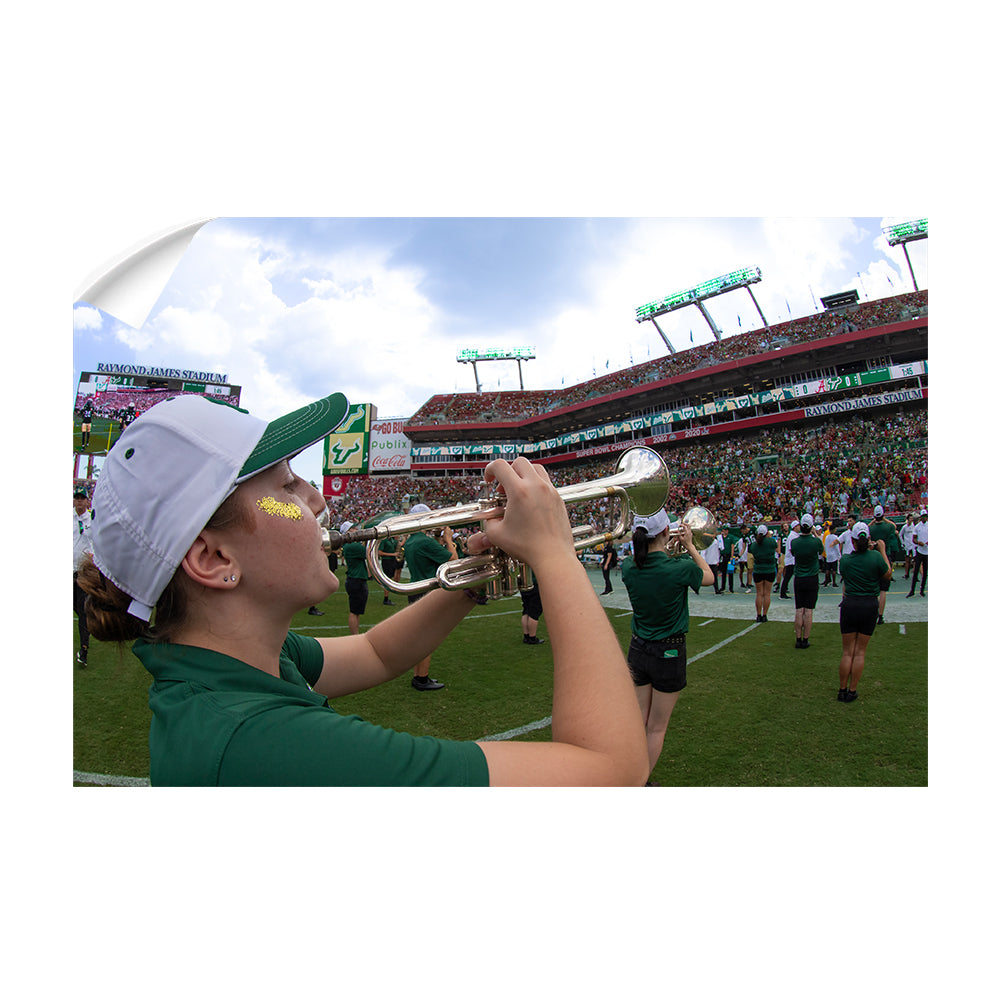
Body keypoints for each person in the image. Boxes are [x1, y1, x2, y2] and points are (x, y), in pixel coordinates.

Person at [78, 392, 648, 786]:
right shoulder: (265, 746)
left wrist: (478, 574)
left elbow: (376, 653)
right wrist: (555, 553)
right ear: (213, 557)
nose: (317, 499)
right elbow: (612, 771)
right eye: (285, 487)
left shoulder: (225, 661)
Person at [621, 509, 713, 783]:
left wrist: (668, 548)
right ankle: (640, 781)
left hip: (638, 649)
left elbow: (649, 562)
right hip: (668, 652)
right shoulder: (680, 567)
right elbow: (708, 577)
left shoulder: (628, 567)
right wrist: (688, 546)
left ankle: (629, 774)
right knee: (656, 728)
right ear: (664, 533)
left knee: (640, 722)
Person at [401, 505, 459, 691]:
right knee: (428, 637)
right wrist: (449, 540)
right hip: (427, 591)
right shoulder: (423, 542)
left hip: (415, 589)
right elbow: (453, 561)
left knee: (419, 637)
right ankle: (422, 678)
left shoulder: (411, 540)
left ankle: (418, 675)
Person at [837, 521, 893, 702]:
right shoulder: (876, 557)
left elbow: (846, 573)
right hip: (869, 605)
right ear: (868, 539)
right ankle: (852, 691)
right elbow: (887, 575)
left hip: (850, 604)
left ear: (853, 541)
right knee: (860, 652)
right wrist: (882, 550)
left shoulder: (845, 560)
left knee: (847, 652)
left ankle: (842, 689)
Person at [790, 513, 824, 648]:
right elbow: (821, 550)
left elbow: (793, 553)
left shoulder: (794, 542)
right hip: (811, 577)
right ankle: (805, 639)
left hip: (799, 577)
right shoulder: (815, 541)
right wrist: (815, 533)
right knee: (809, 610)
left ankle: (798, 639)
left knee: (799, 610)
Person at [73, 485, 94, 666]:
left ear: (87, 501)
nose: (79, 501)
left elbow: (97, 541)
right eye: (77, 498)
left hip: (83, 572)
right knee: (76, 608)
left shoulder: (92, 520)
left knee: (82, 610)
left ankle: (84, 649)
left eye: (82, 498)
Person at [868, 505, 899, 624]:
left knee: (874, 589)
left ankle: (873, 613)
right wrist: (884, 518)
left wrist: (873, 520)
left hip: (874, 557)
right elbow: (894, 526)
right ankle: (880, 616)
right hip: (885, 556)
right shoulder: (887, 526)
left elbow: (868, 527)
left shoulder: (871, 528)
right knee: (883, 590)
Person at [339, 522, 369, 635]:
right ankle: (354, 635)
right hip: (356, 580)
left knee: (356, 611)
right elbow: (367, 553)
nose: (356, 529)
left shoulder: (350, 546)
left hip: (355, 579)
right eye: (353, 528)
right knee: (354, 611)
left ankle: (355, 634)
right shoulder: (353, 546)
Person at [748, 524, 778, 622]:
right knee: (767, 594)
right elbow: (776, 548)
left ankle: (758, 615)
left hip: (758, 570)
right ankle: (765, 615)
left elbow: (752, 552)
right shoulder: (771, 542)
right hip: (769, 569)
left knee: (759, 594)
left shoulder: (754, 545)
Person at [907, 509, 928, 597]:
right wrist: (918, 542)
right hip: (920, 551)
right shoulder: (917, 527)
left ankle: (922, 590)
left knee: (925, 572)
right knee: (916, 571)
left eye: (925, 517)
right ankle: (912, 590)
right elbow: (914, 539)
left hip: (927, 552)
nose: (924, 518)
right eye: (923, 517)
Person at [519, 571, 545, 644]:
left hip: (523, 583)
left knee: (526, 610)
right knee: (534, 612)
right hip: (534, 583)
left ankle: (526, 635)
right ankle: (532, 637)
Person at [779, 519, 799, 599]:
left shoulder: (794, 535)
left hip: (791, 559)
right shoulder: (792, 536)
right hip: (791, 560)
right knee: (787, 576)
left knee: (788, 576)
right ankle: (782, 593)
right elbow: (791, 549)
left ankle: (783, 592)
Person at [823, 521, 841, 587]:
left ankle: (826, 582)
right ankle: (834, 582)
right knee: (834, 569)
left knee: (827, 569)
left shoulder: (827, 537)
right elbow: (837, 547)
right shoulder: (835, 537)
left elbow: (825, 545)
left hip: (828, 555)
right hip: (834, 555)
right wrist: (839, 555)